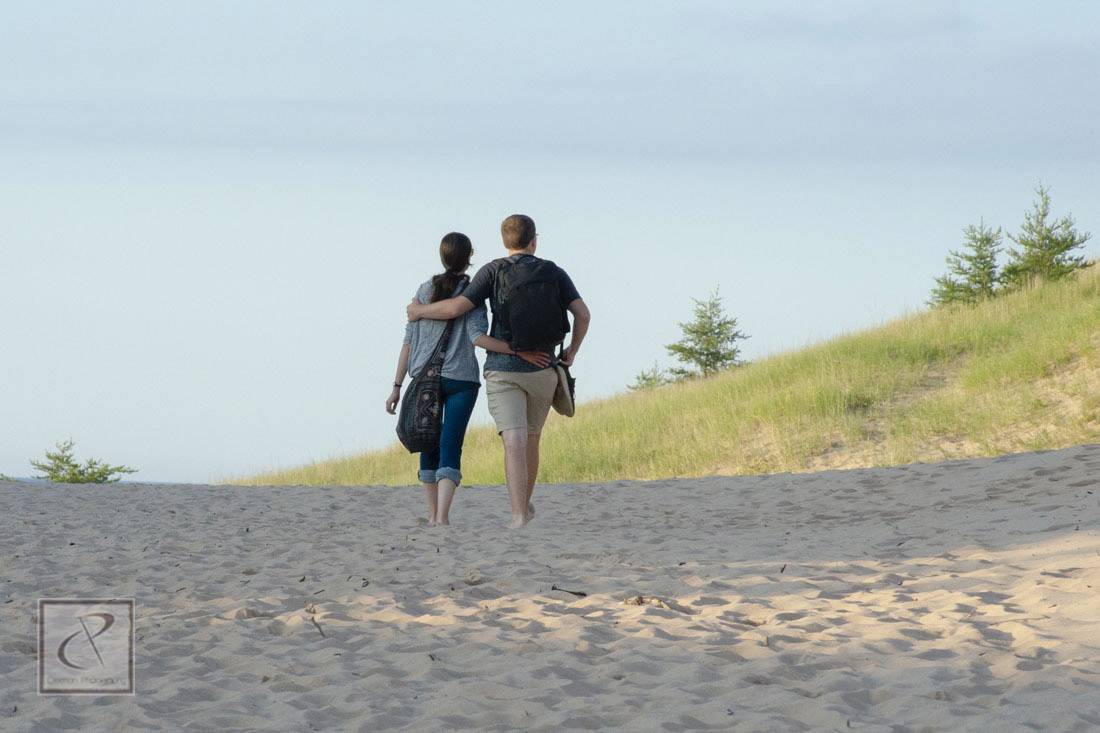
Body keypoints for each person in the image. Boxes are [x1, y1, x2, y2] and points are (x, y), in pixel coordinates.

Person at [407, 215, 590, 528]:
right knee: (531, 439)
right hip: (543, 369)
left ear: (504, 242)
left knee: (513, 440)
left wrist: (419, 311)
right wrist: (571, 352)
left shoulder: (492, 271)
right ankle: (524, 508)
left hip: (503, 371)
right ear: (534, 241)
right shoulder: (554, 272)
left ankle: (518, 515)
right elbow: (583, 315)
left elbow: (456, 308)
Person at [386, 232, 547, 525]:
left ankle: (432, 514)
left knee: (429, 443)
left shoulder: (423, 291)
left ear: (442, 256)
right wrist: (517, 351)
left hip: (425, 379)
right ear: (469, 256)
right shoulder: (472, 292)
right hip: (462, 379)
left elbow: (407, 342)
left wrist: (396, 386)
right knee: (451, 444)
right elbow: (477, 337)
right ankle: (443, 517)